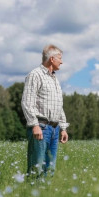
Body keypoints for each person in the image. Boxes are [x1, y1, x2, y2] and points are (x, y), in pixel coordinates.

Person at [21, 44, 69, 180]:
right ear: (52, 59)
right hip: (41, 128)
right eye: (60, 58)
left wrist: (63, 128)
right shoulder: (35, 75)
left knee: (50, 169)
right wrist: (34, 125)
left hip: (54, 129)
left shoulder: (54, 79)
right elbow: (27, 102)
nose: (62, 61)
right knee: (37, 168)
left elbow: (58, 105)